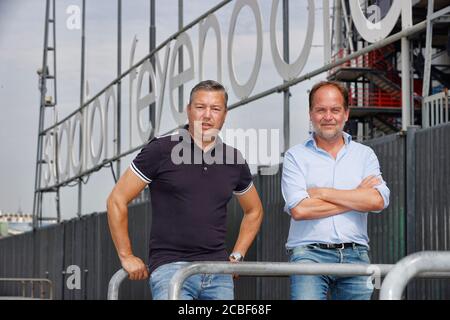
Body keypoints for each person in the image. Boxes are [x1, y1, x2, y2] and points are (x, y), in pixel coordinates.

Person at [107, 80, 263, 300]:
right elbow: (117, 199)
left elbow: (254, 210)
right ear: (188, 110)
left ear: (225, 115)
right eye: (200, 107)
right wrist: (126, 256)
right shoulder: (161, 149)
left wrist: (237, 255)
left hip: (218, 273)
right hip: (171, 270)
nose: (207, 115)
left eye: (215, 109)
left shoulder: (234, 160)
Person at [281, 81, 390, 300]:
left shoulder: (364, 155)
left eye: (335, 110)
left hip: (356, 255)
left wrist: (322, 192)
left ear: (346, 114)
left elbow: (377, 201)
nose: (328, 116)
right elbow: (300, 210)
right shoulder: (295, 157)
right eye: (321, 110)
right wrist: (356, 194)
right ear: (311, 114)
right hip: (308, 254)